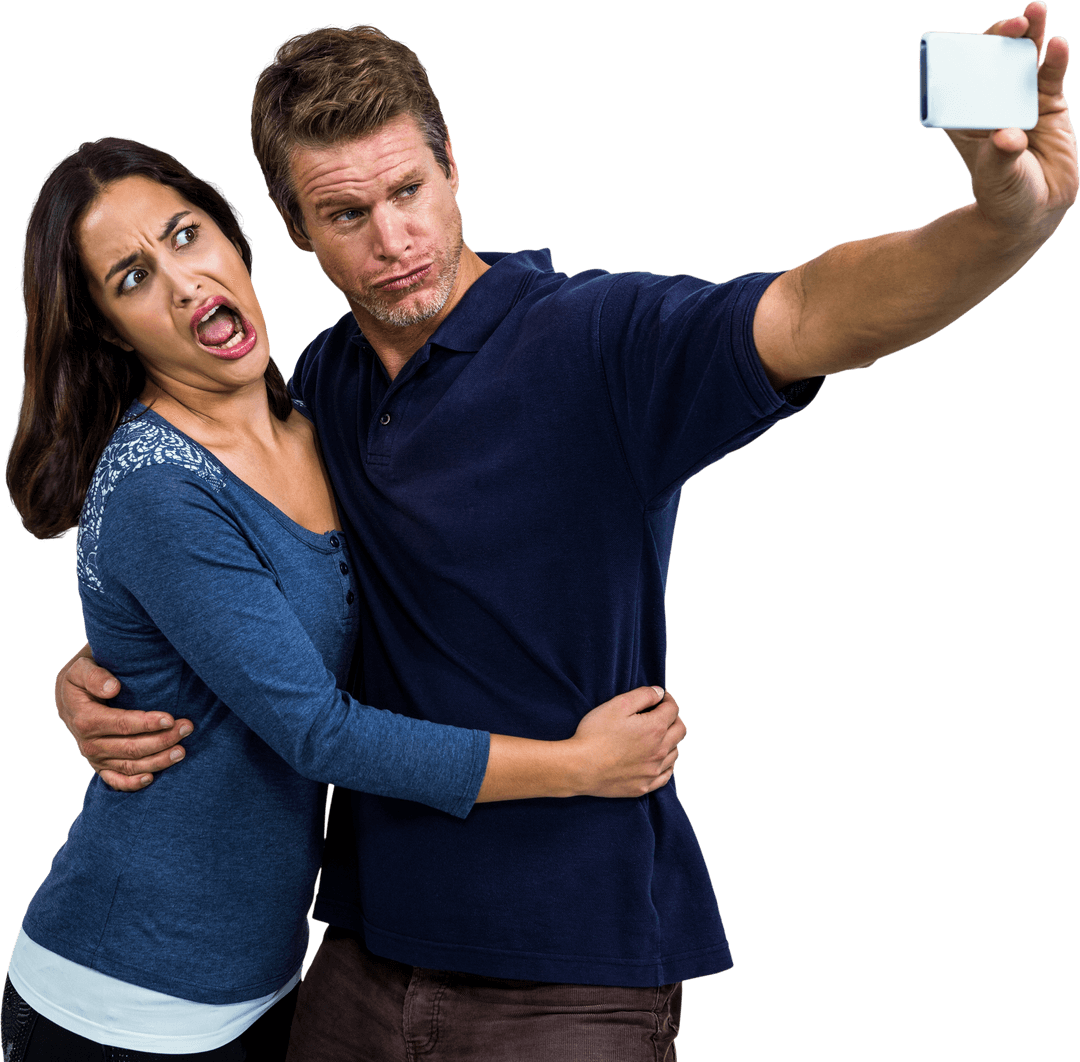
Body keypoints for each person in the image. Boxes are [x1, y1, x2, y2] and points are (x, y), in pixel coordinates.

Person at [54, 4, 1077, 1059]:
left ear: (454, 164)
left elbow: (814, 307)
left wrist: (1003, 226)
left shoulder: (595, 345)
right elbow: (253, 577)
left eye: (408, 190)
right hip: (360, 953)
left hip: (570, 973)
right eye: (347, 212)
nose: (394, 240)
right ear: (296, 227)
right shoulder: (325, 384)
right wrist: (118, 662)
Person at [0, 137, 687, 1061]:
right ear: (110, 332)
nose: (182, 282)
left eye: (185, 235)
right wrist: (578, 765)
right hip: (127, 995)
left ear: (235, 240)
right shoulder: (158, 483)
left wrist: (108, 666)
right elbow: (317, 731)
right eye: (131, 278)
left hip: (271, 977)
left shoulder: (319, 416)